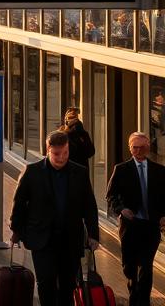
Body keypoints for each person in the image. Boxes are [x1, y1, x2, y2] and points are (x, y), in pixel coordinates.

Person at [10, 130, 99, 306]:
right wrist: (16, 231)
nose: (61, 158)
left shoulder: (79, 172)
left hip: (70, 239)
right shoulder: (32, 171)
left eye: (65, 153)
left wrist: (93, 235)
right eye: (57, 154)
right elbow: (19, 203)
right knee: (46, 283)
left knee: (68, 286)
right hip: (42, 239)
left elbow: (89, 205)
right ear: (48, 150)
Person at [106, 132, 165, 306]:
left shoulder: (159, 171)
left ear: (148, 148)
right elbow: (111, 196)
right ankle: (133, 291)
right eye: (135, 148)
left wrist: (163, 215)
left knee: (146, 265)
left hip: (151, 225)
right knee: (129, 266)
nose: (138, 151)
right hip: (130, 226)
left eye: (142, 147)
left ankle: (143, 301)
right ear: (130, 148)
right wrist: (121, 209)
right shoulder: (121, 169)